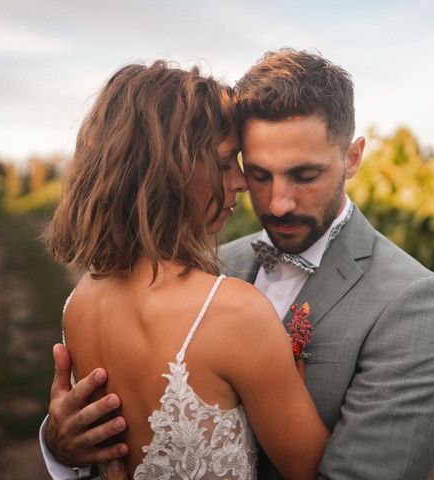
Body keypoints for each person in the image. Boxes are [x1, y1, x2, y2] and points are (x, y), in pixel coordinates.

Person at [42, 50, 434, 479]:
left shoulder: (410, 301)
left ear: (353, 158)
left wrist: (410, 424)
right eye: (259, 174)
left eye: (304, 176)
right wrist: (59, 446)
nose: (278, 203)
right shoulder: (217, 267)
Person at [44, 61, 332, 479]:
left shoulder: (79, 303)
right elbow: (319, 471)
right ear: (168, 170)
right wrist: (426, 409)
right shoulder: (233, 313)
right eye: (223, 162)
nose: (240, 182)